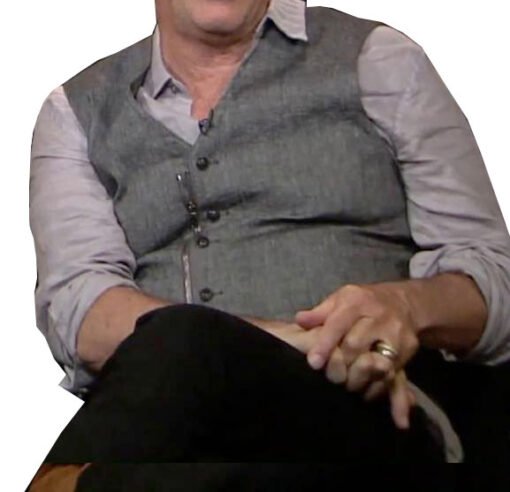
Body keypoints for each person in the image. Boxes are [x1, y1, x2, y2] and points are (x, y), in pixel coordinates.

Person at [28, 0, 510, 488]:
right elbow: (82, 315)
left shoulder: (379, 60)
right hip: (188, 444)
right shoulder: (75, 112)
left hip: (367, 413)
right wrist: (305, 339)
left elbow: (496, 284)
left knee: (181, 342)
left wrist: (403, 307)